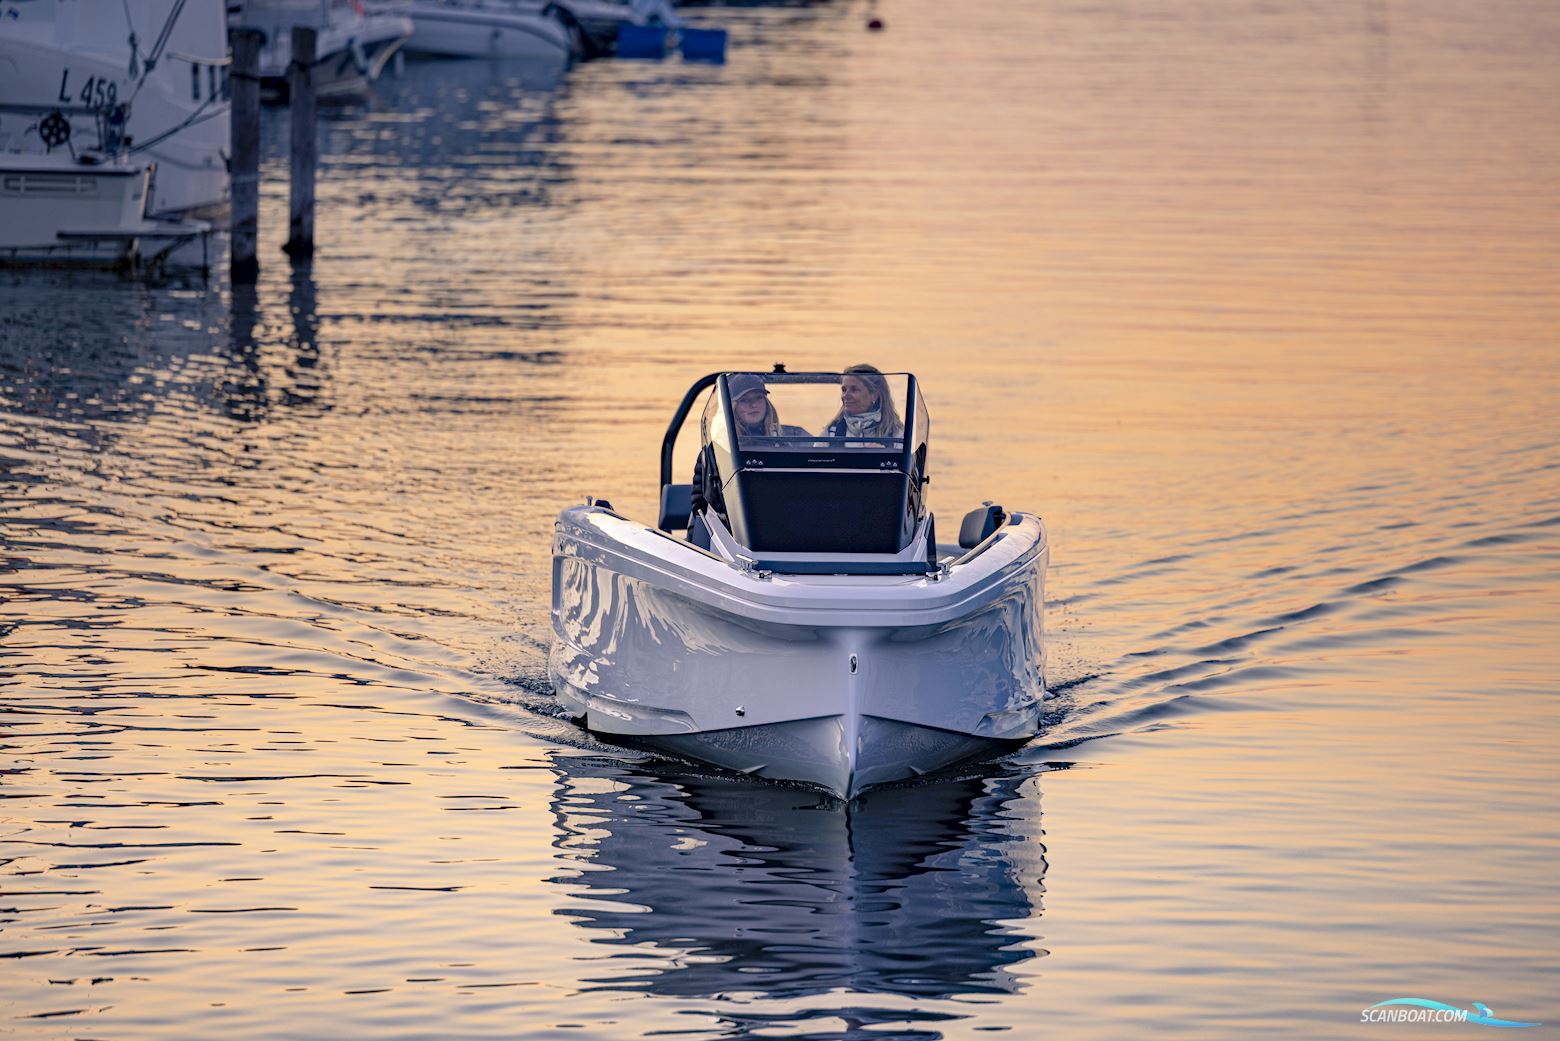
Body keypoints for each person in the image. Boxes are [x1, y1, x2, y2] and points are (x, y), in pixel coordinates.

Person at [688, 375, 809, 546]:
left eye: (758, 398)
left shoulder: (792, 439)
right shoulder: (717, 449)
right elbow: (701, 503)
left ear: (766, 402)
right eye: (745, 400)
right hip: (733, 533)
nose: (753, 405)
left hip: (787, 526)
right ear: (733, 407)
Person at [823, 364, 904, 439]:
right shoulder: (831, 432)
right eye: (844, 390)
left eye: (854, 390)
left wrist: (882, 450)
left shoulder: (897, 433)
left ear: (874, 395)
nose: (846, 396)